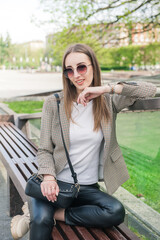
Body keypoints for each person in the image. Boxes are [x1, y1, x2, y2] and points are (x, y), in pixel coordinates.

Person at [11, 43, 156, 240]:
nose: (76, 75)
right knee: (41, 221)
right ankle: (38, 214)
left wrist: (106, 88)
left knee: (115, 211)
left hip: (85, 187)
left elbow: (150, 89)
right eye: (69, 71)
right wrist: (48, 178)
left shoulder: (108, 101)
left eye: (81, 67)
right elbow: (44, 149)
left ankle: (49, 213)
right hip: (55, 186)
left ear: (93, 67)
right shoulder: (54, 103)